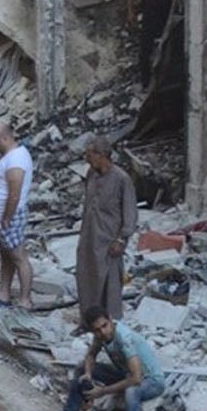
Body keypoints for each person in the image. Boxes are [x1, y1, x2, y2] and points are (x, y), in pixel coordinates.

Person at [63, 308, 165, 411]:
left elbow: (136, 378)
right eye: (97, 330)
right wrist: (88, 374)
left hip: (151, 380)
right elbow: (90, 356)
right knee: (82, 368)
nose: (103, 332)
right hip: (126, 373)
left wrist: (102, 392)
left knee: (132, 393)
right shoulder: (100, 336)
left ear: (111, 320)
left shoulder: (124, 338)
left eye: (105, 326)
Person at [75, 137, 137, 328]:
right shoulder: (91, 174)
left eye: (90, 155)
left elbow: (130, 211)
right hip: (89, 236)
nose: (87, 160)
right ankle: (88, 322)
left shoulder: (121, 179)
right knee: (86, 278)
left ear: (102, 156)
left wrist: (122, 238)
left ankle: (111, 325)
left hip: (110, 239)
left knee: (110, 283)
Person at [0, 120, 34, 310]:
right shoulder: (9, 156)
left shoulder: (16, 159)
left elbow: (14, 193)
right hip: (1, 218)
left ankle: (25, 300)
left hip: (10, 217)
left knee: (18, 256)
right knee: (6, 255)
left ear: (4, 138)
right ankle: (4, 294)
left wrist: (7, 216)